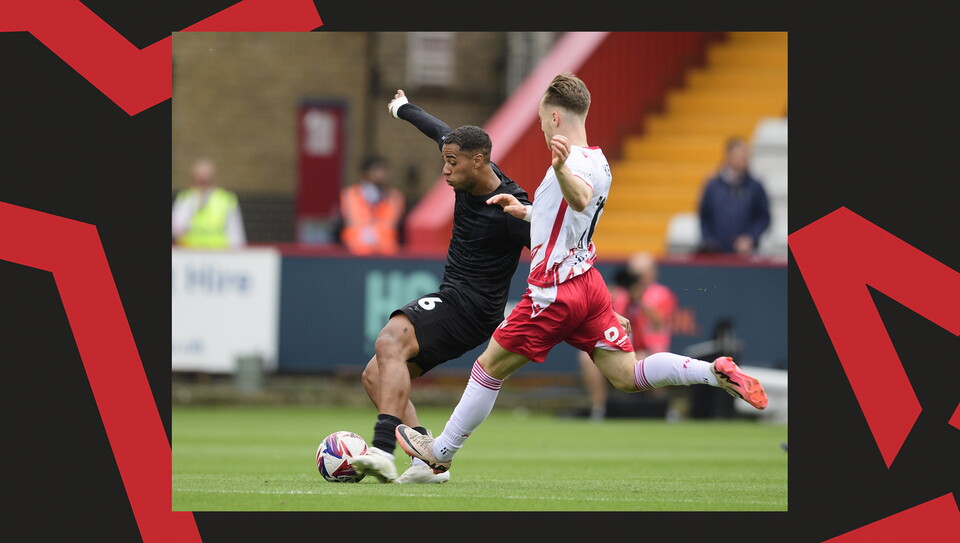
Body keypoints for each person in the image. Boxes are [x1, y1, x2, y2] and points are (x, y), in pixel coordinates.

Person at [396, 72, 768, 476]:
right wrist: (526, 212)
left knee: (488, 369)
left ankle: (441, 452)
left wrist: (559, 171)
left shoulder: (569, 163)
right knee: (626, 375)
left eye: (541, 118)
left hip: (554, 290)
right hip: (587, 284)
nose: (540, 125)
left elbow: (580, 198)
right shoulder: (599, 158)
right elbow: (574, 217)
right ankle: (713, 372)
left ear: (555, 118)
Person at [348, 90, 531, 484]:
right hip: (457, 297)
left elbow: (556, 246)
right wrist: (401, 108)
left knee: (388, 341)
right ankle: (426, 463)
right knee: (374, 374)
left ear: (478, 161)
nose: (445, 171)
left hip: (472, 307)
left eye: (451, 163)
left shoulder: (511, 208)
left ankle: (381, 451)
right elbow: (436, 128)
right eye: (444, 160)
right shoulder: (465, 157)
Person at [577, 251, 677, 420]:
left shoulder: (661, 293)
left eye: (641, 273)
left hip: (649, 346)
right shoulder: (620, 294)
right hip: (622, 345)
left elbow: (658, 322)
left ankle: (664, 409)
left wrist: (640, 299)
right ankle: (598, 409)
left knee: (652, 360)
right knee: (586, 358)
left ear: (652, 272)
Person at [696, 136, 771, 255]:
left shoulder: (755, 187)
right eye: (740, 156)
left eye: (746, 156)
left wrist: (751, 238)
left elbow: (764, 218)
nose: (744, 159)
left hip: (745, 255)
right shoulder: (713, 186)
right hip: (717, 254)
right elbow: (704, 217)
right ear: (728, 156)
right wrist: (709, 241)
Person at [171, 158, 246, 249]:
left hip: (219, 255)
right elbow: (177, 230)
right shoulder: (185, 199)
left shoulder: (226, 200)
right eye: (199, 176)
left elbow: (236, 235)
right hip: (189, 254)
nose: (203, 179)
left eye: (206, 175)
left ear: (213, 177)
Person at [338, 155, 406, 255]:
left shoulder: (395, 197)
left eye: (383, 170)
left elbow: (400, 227)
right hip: (355, 252)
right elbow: (341, 225)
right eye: (376, 170)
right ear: (365, 173)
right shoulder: (349, 195)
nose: (381, 175)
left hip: (387, 253)